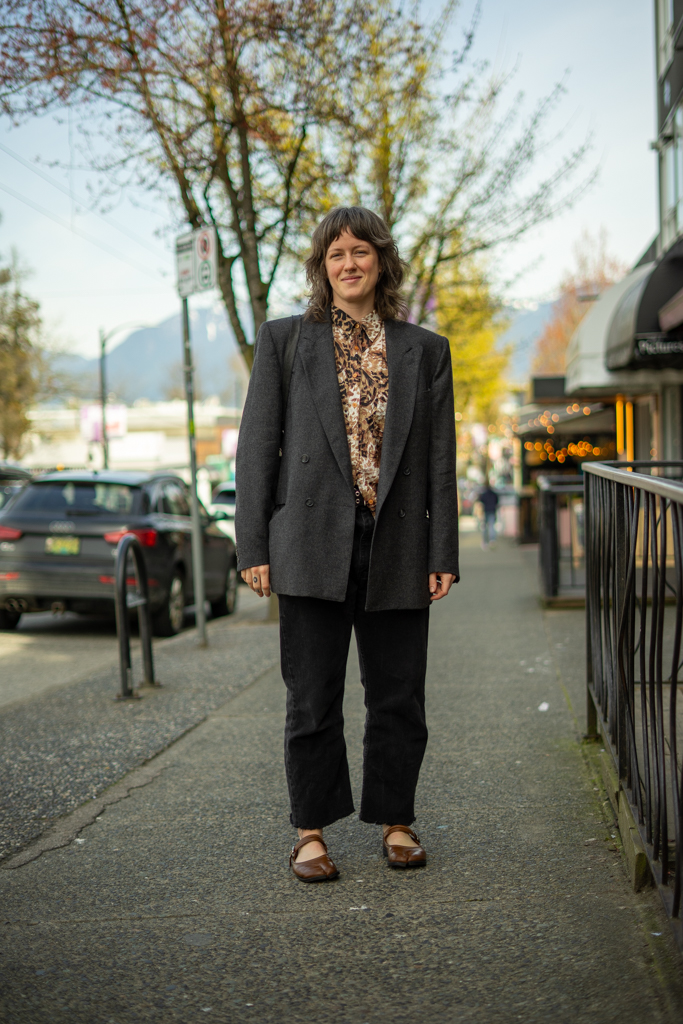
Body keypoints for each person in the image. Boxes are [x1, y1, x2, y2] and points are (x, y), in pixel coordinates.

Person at [235, 206, 459, 882]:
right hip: (307, 541)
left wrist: (442, 552)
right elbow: (256, 449)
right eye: (336, 254)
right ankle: (310, 832)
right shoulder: (284, 341)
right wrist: (252, 546)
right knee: (311, 697)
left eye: (360, 251)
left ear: (381, 261)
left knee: (398, 696)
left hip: (397, 542)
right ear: (322, 267)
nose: (349, 263)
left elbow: (440, 461)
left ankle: (396, 821)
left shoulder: (425, 349)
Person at [478, 481, 499, 548]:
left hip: (486, 511)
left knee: (485, 527)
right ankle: (492, 540)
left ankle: (485, 541)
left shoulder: (484, 494)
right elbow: (497, 501)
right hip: (492, 510)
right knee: (491, 526)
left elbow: (481, 501)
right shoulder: (494, 494)